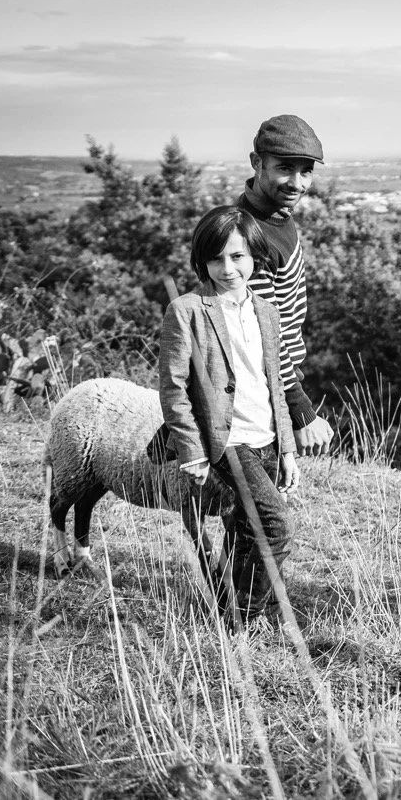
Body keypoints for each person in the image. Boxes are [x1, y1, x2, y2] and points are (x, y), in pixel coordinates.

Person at [159, 205, 298, 624]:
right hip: (227, 441)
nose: (228, 268)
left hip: (268, 436)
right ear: (202, 261)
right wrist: (192, 450)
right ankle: (247, 617)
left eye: (237, 256)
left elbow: (276, 383)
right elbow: (173, 386)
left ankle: (227, 610)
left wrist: (287, 449)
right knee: (276, 525)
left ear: (254, 255)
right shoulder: (186, 309)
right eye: (216, 258)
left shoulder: (267, 311)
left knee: (244, 529)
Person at [236, 114, 334, 457]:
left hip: (271, 386)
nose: (297, 182)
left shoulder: (276, 218)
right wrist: (301, 411)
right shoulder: (248, 235)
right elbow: (265, 337)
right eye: (285, 168)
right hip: (253, 395)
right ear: (257, 163)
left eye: (306, 171)